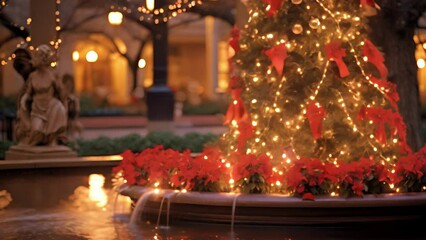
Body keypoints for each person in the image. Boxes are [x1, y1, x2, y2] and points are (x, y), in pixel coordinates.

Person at [18, 44, 67, 146]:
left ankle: (52, 141)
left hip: (52, 107)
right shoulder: (32, 76)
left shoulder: (53, 75)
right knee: (36, 132)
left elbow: (62, 94)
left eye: (37, 56)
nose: (34, 59)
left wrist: (64, 109)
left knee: (57, 116)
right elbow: (27, 93)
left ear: (44, 59)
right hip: (38, 109)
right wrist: (23, 100)